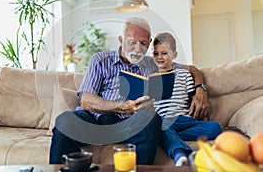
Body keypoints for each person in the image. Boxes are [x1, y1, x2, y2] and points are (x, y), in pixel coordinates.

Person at [49, 17, 210, 165]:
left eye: (143, 43)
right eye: (132, 42)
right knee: (65, 120)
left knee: (151, 118)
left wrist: (200, 89)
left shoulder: (151, 62)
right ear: (121, 40)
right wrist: (121, 106)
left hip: (130, 124)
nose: (138, 49)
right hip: (96, 120)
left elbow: (191, 69)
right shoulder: (100, 59)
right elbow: (85, 100)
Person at [151, 32, 222, 166]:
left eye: (164, 53)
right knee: (159, 123)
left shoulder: (184, 75)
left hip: (183, 120)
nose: (159, 57)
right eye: (156, 53)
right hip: (162, 120)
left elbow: (193, 99)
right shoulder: (150, 77)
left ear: (174, 55)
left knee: (215, 127)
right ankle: (180, 153)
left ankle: (166, 137)